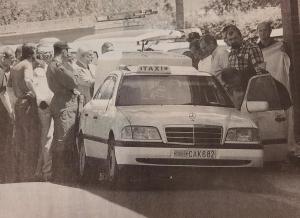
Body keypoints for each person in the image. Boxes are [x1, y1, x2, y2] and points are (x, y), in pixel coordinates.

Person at [46, 41, 79, 183]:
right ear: (63, 51)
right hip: (64, 102)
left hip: (60, 101)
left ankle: (59, 173)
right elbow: (73, 81)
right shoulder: (58, 66)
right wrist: (71, 67)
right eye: (67, 51)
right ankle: (62, 174)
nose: (68, 53)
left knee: (60, 137)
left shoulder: (52, 65)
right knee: (65, 138)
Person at [11, 43, 40, 182]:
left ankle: (21, 172)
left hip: (18, 103)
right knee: (30, 138)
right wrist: (36, 94)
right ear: (32, 52)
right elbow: (28, 80)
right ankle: (29, 173)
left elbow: (11, 87)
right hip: (27, 103)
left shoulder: (15, 66)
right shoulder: (27, 64)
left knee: (21, 138)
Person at [34, 45, 54, 181]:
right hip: (45, 106)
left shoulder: (45, 69)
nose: (47, 57)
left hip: (48, 105)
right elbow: (40, 90)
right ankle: (47, 172)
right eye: (45, 55)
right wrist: (43, 102)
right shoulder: (39, 71)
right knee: (47, 138)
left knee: (45, 138)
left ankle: (39, 170)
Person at [0, 47, 16, 183]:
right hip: (2, 114)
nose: (13, 61)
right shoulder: (0, 72)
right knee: (5, 143)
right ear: (3, 58)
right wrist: (11, 112)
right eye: (11, 59)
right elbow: (3, 94)